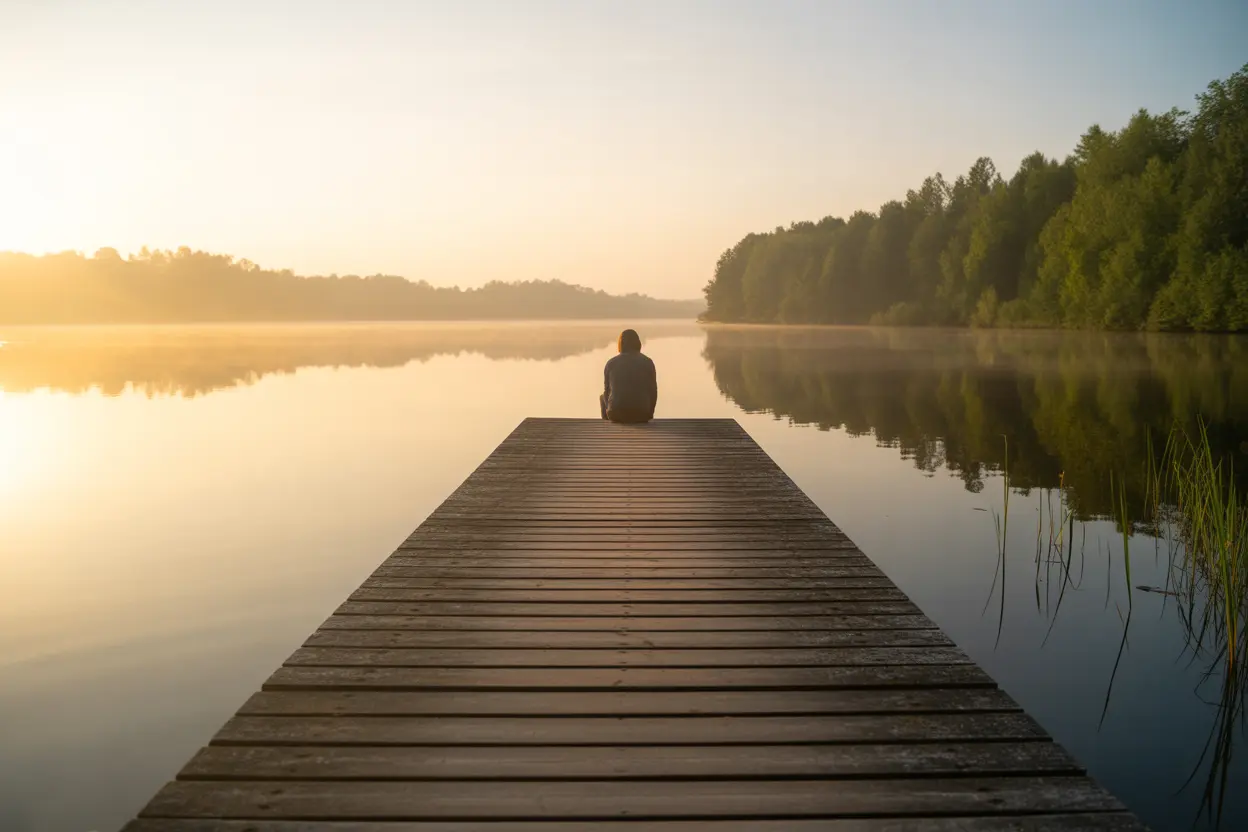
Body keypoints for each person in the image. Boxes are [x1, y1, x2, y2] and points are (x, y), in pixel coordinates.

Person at [600, 328, 657, 423]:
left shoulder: (611, 363)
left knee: (602, 397)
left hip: (616, 415)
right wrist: (650, 412)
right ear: (638, 344)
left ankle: (607, 426)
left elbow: (607, 392)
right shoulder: (648, 362)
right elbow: (653, 391)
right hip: (642, 414)